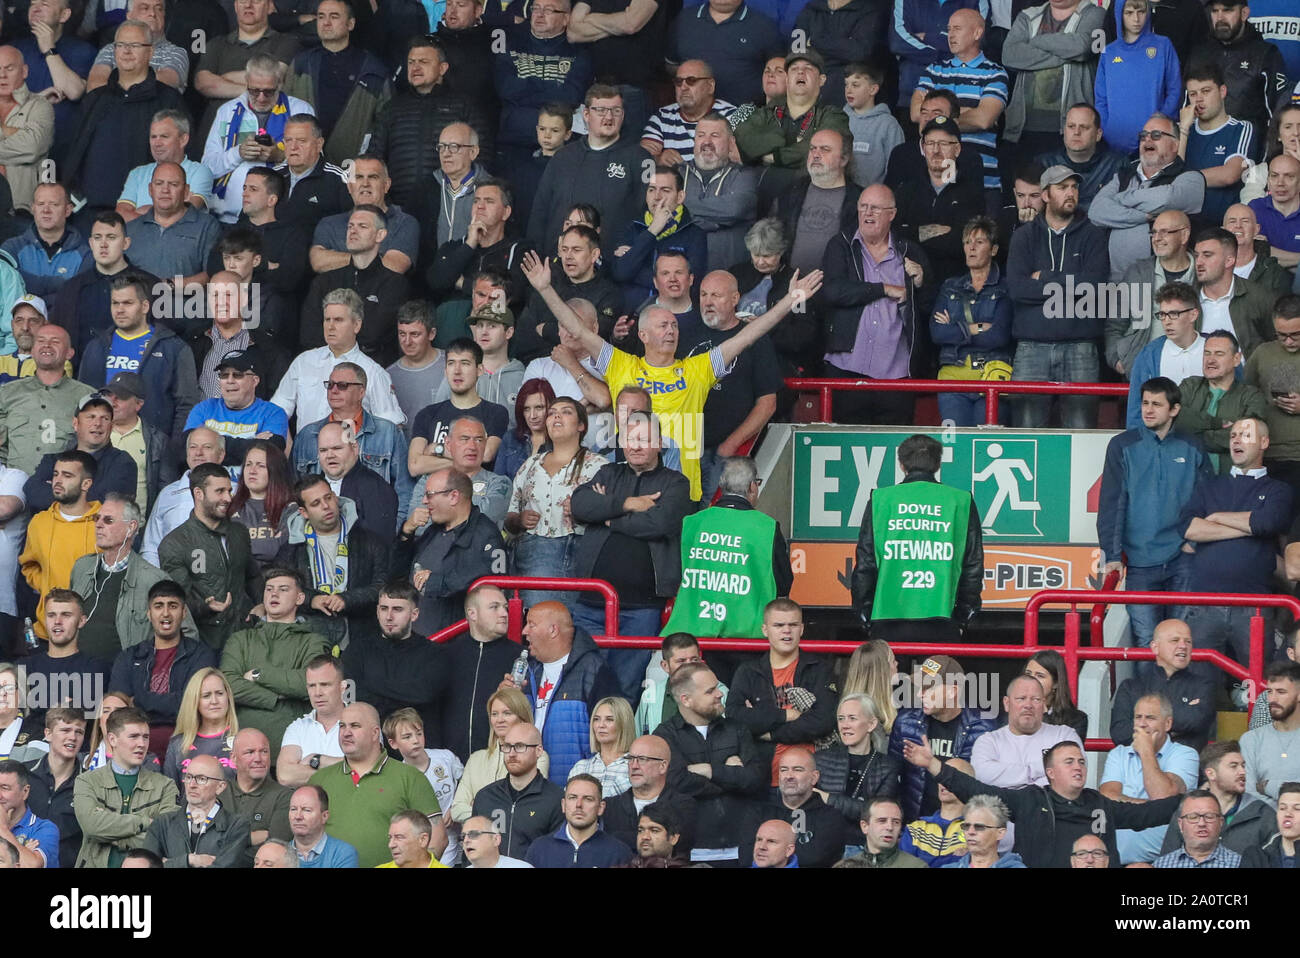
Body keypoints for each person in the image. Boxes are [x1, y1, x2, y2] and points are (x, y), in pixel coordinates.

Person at [526, 248, 820, 501]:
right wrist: (544, 288)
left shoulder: (697, 369)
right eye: (663, 325)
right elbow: (576, 329)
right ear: (642, 334)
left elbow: (750, 334)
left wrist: (789, 300)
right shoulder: (622, 365)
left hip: (683, 490)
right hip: (632, 486)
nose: (671, 330)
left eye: (674, 326)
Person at [904, 738, 1184, 868]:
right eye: (1069, 762)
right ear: (1050, 773)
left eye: (1082, 762)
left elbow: (1147, 814)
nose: (1078, 767)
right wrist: (933, 765)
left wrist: (1193, 801)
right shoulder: (1029, 800)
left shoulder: (1101, 804)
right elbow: (977, 790)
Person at [567, 414, 689, 695]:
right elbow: (581, 505)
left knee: (627, 685)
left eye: (645, 439)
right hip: (590, 602)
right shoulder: (608, 473)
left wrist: (609, 516)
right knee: (581, 681)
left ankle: (622, 739)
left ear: (660, 443)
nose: (636, 446)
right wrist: (630, 503)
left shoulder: (676, 483)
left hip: (642, 606)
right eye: (630, 439)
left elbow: (660, 523)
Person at [1099, 376, 1212, 649]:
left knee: (1182, 641)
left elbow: (1207, 500)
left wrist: (1192, 543)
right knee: (1147, 643)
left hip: (1182, 560)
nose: (1148, 410)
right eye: (1145, 403)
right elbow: (1112, 504)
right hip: (1139, 563)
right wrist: (1113, 555)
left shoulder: (1193, 446)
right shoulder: (1121, 445)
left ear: (1174, 410)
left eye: (1157, 404)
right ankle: (1149, 694)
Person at [1181, 418, 1293, 667]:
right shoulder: (1209, 486)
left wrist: (1217, 518)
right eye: (1233, 435)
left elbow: (1269, 523)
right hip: (1204, 603)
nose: (1237, 440)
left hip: (1254, 605)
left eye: (1245, 435)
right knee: (1199, 682)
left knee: (1259, 686)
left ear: (1264, 442)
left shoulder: (1279, 490)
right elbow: (1190, 528)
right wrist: (1249, 528)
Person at [851, 434, 984, 643]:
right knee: (938, 676)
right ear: (938, 464)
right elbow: (973, 566)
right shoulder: (960, 500)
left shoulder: (881, 499)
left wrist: (865, 616)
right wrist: (963, 618)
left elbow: (865, 563)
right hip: (942, 620)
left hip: (887, 621)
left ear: (901, 464)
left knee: (892, 677)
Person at [821, 182, 932, 426]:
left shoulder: (909, 252)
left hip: (896, 371)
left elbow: (926, 310)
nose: (867, 213)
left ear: (892, 214)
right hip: (847, 367)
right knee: (845, 446)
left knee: (894, 448)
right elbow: (832, 291)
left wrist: (921, 284)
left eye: (875, 209)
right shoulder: (841, 244)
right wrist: (883, 289)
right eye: (863, 207)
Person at [1008, 166, 1110, 427]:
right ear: (1045, 195)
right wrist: (1071, 285)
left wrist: (1044, 277)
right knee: (1027, 435)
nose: (1070, 193)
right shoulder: (1023, 236)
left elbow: (1094, 288)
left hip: (1081, 346)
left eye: (1074, 187)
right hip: (1032, 347)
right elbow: (1018, 288)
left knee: (1081, 433)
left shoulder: (1094, 235)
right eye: (1062, 188)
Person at [62, 20, 184, 217]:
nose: (126, 51)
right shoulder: (94, 99)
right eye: (120, 45)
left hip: (145, 214)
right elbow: (72, 155)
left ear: (150, 52)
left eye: (135, 45)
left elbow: (184, 158)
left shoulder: (169, 100)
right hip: (91, 212)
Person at [663, 455, 792, 640]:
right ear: (752, 487)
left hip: (693, 635)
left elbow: (673, 574)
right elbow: (783, 583)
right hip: (748, 634)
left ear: (722, 487)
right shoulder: (767, 527)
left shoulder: (692, 523)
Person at [655, 662, 766, 866]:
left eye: (717, 687)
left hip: (741, 847)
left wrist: (709, 770)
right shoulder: (665, 735)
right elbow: (676, 782)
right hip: (689, 851)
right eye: (710, 691)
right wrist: (731, 773)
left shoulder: (737, 729)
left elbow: (755, 779)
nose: (720, 694)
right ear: (686, 700)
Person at [527, 85, 653, 258]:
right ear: (586, 115)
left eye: (616, 111)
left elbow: (649, 213)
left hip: (613, 268)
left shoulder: (641, 158)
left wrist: (633, 250)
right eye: (601, 110)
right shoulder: (563, 157)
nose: (609, 117)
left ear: (623, 115)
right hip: (559, 268)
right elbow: (540, 213)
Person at [309, 702, 439, 869]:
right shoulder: (320, 780)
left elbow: (436, 838)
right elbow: (302, 838)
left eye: (355, 726)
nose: (346, 733)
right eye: (342, 726)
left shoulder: (410, 777)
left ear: (375, 733)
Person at [78, 274, 200, 451]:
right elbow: (83, 397)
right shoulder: (96, 346)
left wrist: (173, 448)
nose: (119, 309)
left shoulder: (173, 347)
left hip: (153, 448)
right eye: (115, 303)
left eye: (127, 303)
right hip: (102, 445)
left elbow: (186, 403)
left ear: (144, 306)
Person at [220, 568, 330, 760]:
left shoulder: (314, 642)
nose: (274, 594)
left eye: (283, 589)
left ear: (300, 598)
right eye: (269, 589)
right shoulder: (240, 639)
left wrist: (259, 675)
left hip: (292, 748)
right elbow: (227, 684)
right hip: (243, 746)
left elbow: (309, 684)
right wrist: (278, 696)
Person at [275, 475, 390, 649]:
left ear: (335, 497)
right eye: (315, 503)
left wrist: (347, 599)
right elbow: (279, 589)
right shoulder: (290, 549)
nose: (326, 506)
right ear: (304, 512)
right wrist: (311, 600)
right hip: (308, 638)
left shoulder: (370, 541)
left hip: (362, 636)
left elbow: (383, 586)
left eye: (328, 497)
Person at [1090, 114, 1206, 280]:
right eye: (1143, 136)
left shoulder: (1191, 177)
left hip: (1163, 284)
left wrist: (1118, 200)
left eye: (1156, 135)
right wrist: (1142, 216)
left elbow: (1166, 198)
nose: (1147, 140)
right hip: (1115, 283)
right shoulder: (1124, 174)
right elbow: (1096, 211)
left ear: (1175, 144)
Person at [271, 287, 407, 429]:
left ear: (356, 325)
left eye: (338, 320)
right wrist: (284, 443)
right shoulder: (303, 362)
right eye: (327, 319)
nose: (330, 326)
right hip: (305, 449)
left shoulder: (373, 372)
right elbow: (277, 411)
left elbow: (391, 427)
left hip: (352, 448)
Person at [158, 462, 258, 651]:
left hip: (245, 637)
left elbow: (253, 577)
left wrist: (258, 607)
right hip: (203, 642)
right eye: (219, 491)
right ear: (198, 494)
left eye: (229, 491)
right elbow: (178, 600)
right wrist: (206, 607)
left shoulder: (239, 533)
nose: (228, 498)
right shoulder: (175, 543)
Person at [395, 468, 505, 636]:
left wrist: (438, 582)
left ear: (454, 496)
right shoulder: (432, 530)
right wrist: (406, 532)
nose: (424, 501)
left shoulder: (486, 534)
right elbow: (395, 572)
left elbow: (496, 579)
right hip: (418, 640)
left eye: (430, 494)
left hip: (455, 643)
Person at [911, 9, 1007, 200]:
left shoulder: (995, 73)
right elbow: (915, 113)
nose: (950, 35)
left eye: (957, 28)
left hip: (982, 181)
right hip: (937, 179)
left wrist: (936, 116)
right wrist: (966, 112)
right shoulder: (934, 70)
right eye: (949, 29)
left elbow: (984, 119)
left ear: (977, 33)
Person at [888, 655, 995, 821]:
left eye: (928, 688)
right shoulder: (905, 722)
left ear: (953, 691)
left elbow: (986, 787)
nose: (920, 694)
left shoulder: (982, 728)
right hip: (915, 826)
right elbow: (891, 777)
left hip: (963, 829)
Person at [300, 207, 410, 366]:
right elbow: (309, 334)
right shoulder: (324, 281)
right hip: (325, 369)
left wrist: (335, 336)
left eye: (362, 226)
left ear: (380, 235)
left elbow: (373, 333)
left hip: (373, 370)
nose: (353, 231)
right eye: (350, 226)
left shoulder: (395, 284)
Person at [930, 216, 1014, 426]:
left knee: (984, 444)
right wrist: (976, 328)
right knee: (957, 444)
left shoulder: (1005, 287)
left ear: (993, 250)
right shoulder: (950, 286)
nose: (971, 248)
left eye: (979, 242)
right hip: (953, 377)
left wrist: (955, 330)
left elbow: (999, 336)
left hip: (991, 376)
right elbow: (937, 333)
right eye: (967, 242)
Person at [71, 705, 180, 867]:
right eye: (134, 736)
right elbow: (92, 827)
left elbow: (167, 836)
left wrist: (110, 834)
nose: (142, 744)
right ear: (112, 739)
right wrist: (146, 823)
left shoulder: (165, 786)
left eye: (145, 737)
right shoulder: (86, 781)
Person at [1101, 692, 1200, 864]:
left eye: (1150, 718)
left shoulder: (1186, 754)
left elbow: (1163, 796)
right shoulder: (1118, 754)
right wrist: (1151, 809)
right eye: (1138, 717)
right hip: (1114, 861)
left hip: (1163, 863)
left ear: (1167, 723)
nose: (1142, 724)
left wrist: (1146, 750)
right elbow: (1107, 799)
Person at [283, 0, 388, 163]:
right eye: (321, 16)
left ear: (351, 24)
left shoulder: (373, 69)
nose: (326, 22)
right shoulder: (301, 63)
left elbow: (385, 125)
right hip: (304, 166)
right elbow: (283, 112)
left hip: (352, 170)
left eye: (334, 16)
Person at [491, 0, 592, 168]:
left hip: (563, 147)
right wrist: (552, 86)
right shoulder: (510, 44)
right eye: (536, 8)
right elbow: (506, 89)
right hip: (514, 141)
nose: (539, 14)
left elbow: (571, 97)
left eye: (549, 10)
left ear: (566, 19)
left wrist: (527, 85)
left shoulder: (579, 52)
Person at [999, 0, 1106, 155]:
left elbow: (1083, 48)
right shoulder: (1027, 15)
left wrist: (1034, 42)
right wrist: (1068, 54)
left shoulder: (1096, 14)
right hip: (1023, 128)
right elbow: (1009, 55)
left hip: (1071, 130)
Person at [19, 451, 99, 641]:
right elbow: (29, 566)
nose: (58, 480)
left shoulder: (104, 522)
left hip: (92, 635)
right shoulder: (39, 522)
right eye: (56, 474)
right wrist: (48, 585)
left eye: (67, 475)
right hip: (47, 633)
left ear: (86, 484)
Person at [734, 50, 852, 176]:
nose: (800, 72)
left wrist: (773, 157)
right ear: (787, 79)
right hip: (761, 186)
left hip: (809, 189)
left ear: (821, 80)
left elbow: (821, 151)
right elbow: (740, 141)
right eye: (794, 69)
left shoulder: (833, 116)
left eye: (808, 68)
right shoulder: (765, 113)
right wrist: (777, 139)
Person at [1188, 0, 1288, 146]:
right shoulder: (1199, 54)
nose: (1220, 18)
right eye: (1215, 11)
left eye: (1227, 10)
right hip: (1201, 147)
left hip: (1249, 151)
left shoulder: (1266, 54)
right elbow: (1186, 107)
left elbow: (1279, 113)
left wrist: (1269, 156)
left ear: (1244, 13)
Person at [1107, 210, 1194, 377]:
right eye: (1153, 232)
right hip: (1143, 371)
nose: (1157, 238)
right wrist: (1118, 360)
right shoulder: (1137, 272)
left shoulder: (1202, 272)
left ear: (1184, 235)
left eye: (1165, 232)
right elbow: (1115, 323)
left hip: (1191, 372)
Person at [0, 323, 94, 476]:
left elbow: (96, 446)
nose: (47, 346)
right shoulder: (7, 393)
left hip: (64, 485)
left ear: (69, 353)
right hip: (13, 481)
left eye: (55, 341)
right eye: (41, 341)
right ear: (32, 350)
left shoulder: (86, 396)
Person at [448, 687, 552, 823]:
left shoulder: (538, 755)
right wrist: (498, 812)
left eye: (507, 713)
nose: (499, 720)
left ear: (522, 717)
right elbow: (456, 810)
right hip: (477, 841)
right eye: (494, 714)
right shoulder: (475, 759)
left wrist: (479, 808)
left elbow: (526, 807)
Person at [408, 342, 509, 478]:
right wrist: (467, 457)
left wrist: (439, 449)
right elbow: (415, 465)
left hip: (478, 494)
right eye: (451, 363)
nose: (457, 370)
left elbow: (485, 455)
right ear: (445, 371)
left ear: (479, 370)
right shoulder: (427, 414)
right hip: (435, 494)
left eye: (465, 363)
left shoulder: (495, 412)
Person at [1094, 0, 1181, 156]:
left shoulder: (1162, 45)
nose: (1136, 19)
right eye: (1129, 13)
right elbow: (1101, 98)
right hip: (1114, 142)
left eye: (1141, 12)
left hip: (1155, 140)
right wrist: (1107, 130)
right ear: (1119, 14)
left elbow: (1175, 89)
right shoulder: (1109, 52)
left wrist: (1161, 125)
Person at [24, 394, 138, 512]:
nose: (98, 423)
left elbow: (107, 506)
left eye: (105, 418)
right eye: (91, 417)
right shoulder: (52, 460)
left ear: (112, 426)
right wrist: (82, 496)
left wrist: (59, 492)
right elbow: (33, 493)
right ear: (75, 424)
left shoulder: (122, 462)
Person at [427, 177, 532, 304]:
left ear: (506, 212)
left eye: (489, 201)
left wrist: (462, 283)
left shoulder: (519, 250)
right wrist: (470, 244)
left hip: (495, 321)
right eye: (476, 201)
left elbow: (513, 294)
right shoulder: (453, 247)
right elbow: (436, 282)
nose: (480, 206)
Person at [470, 721, 564, 860]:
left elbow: (559, 854)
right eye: (507, 746)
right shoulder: (485, 797)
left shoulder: (556, 799)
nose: (512, 753)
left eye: (520, 746)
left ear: (538, 751)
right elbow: (472, 848)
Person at [21, 589, 111, 734]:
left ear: (82, 621)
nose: (57, 621)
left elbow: (81, 716)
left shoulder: (97, 667)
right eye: (51, 615)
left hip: (78, 748)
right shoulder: (24, 666)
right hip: (25, 749)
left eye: (66, 615)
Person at [971, 674, 1084, 788]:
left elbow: (1073, 775)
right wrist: (1040, 769)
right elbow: (982, 775)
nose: (1028, 705)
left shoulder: (1064, 735)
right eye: (1021, 698)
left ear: (1044, 704)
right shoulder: (988, 741)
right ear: (1007, 703)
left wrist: (1007, 777)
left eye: (1036, 699)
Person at [184, 349, 290, 470]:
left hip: (248, 487)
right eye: (224, 375)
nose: (230, 381)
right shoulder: (203, 408)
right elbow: (185, 448)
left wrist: (212, 446)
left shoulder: (273, 413)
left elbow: (268, 453)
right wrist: (253, 443)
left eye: (237, 375)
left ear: (255, 381)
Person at [142, 752, 251, 867]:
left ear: (220, 787)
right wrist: (190, 860)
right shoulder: (162, 823)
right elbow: (145, 865)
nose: (192, 784)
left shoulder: (237, 825)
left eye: (201, 779)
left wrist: (167, 863)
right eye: (188, 777)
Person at [1181, 63, 1257, 227]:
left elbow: (1230, 174)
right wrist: (1184, 129)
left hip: (1223, 229)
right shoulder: (1183, 131)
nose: (1199, 99)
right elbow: (1170, 175)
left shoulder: (1240, 128)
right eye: (1193, 94)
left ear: (1222, 91)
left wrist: (1183, 179)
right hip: (1185, 226)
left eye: (1206, 91)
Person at [383, 708, 462, 864]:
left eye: (419, 733)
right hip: (427, 842)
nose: (415, 740)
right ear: (393, 743)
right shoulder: (398, 776)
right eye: (407, 736)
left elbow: (466, 783)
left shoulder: (445, 757)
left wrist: (456, 806)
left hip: (458, 833)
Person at [140, 427, 228, 566]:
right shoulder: (168, 494)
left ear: (221, 454)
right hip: (172, 579)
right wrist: (159, 581)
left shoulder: (235, 492)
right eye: (193, 447)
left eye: (207, 447)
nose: (198, 453)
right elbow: (151, 548)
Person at [121, 163, 219, 288]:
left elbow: (213, 275)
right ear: (150, 190)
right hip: (139, 305)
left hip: (187, 305)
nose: (165, 190)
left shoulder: (207, 226)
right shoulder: (131, 229)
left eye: (173, 184)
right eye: (159, 183)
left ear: (186, 191)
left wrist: (169, 285)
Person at [1124, 287, 1211, 425]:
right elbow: (1136, 409)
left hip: (1208, 439)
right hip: (1162, 441)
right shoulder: (1149, 354)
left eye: (1174, 314)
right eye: (1162, 315)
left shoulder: (1216, 349)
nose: (1167, 321)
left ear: (1193, 315)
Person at [303, 420, 402, 539]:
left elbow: (380, 548)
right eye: (323, 450)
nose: (329, 455)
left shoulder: (376, 489)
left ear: (354, 448)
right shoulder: (309, 486)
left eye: (337, 448)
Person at [115, 108, 209, 219]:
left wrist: (144, 212)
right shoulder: (138, 173)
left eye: (164, 136)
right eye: (153, 137)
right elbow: (121, 215)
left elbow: (186, 214)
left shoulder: (200, 172)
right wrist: (163, 213)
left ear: (183, 139)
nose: (157, 143)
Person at [1247, 297, 1300, 492]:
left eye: (1295, 335)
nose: (1288, 341)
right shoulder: (1263, 353)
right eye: (1281, 335)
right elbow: (1244, 393)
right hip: (1269, 455)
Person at [1034, 104, 1127, 214]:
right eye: (1071, 126)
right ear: (1064, 130)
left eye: (1084, 127)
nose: (1076, 132)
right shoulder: (1043, 164)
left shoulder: (1117, 164)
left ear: (1098, 134)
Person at [525, 773, 633, 867]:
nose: (579, 805)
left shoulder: (618, 853)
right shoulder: (539, 849)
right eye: (572, 797)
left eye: (588, 799)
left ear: (601, 808)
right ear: (563, 805)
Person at [641, 60, 734, 167]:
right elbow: (641, 160)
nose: (683, 87)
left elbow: (745, 161)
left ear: (710, 86)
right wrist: (658, 160)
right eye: (678, 81)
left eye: (691, 80)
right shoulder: (662, 117)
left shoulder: (732, 116)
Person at [2, 182, 89, 297]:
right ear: (33, 208)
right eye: (40, 204)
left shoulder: (85, 254)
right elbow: (3, 282)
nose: (46, 210)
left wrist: (24, 283)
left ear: (68, 210)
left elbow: (80, 294)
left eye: (54, 204)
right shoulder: (12, 248)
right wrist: (57, 284)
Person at [276, 654, 347, 787]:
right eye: (311, 686)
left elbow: (366, 768)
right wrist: (344, 768)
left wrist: (318, 760)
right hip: (307, 807)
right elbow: (285, 776)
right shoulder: (297, 727)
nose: (317, 693)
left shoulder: (362, 722)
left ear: (342, 687)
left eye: (325, 685)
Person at [160, 667, 237, 788]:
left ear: (228, 697)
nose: (214, 701)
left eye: (220, 693)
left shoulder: (243, 740)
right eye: (206, 696)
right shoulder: (178, 744)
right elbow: (171, 794)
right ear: (194, 701)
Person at [1240, 661, 1300, 803]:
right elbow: (1248, 793)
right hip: (1262, 821)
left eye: (1281, 692)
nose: (1272, 699)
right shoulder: (1251, 739)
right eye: (1269, 691)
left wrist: (1269, 786)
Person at [897, 757, 972, 867]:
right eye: (941, 775)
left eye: (952, 777)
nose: (944, 782)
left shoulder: (976, 829)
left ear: (970, 785)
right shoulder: (916, 829)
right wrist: (955, 858)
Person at [386, 302, 446, 437]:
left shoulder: (452, 365)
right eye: (402, 334)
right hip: (405, 453)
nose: (407, 341)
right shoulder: (388, 376)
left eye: (415, 334)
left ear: (431, 334)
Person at [226, 728, 291, 847]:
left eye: (264, 752)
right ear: (233, 758)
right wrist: (253, 837)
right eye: (250, 752)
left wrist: (225, 840)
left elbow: (275, 846)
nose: (258, 759)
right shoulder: (218, 791)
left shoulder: (284, 797)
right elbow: (203, 840)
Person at [1151, 789, 1243, 867]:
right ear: (1180, 824)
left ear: (1221, 822)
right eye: (1193, 817)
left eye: (1209, 816)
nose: (1202, 823)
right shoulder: (1162, 865)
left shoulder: (1240, 864)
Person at [567, 697, 634, 798]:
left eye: (609, 719)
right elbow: (567, 806)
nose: (601, 725)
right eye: (596, 719)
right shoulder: (580, 767)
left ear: (623, 723)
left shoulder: (636, 767)